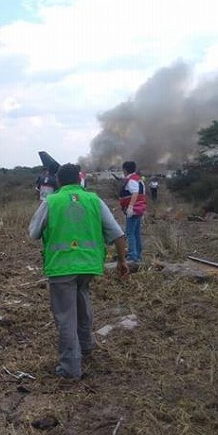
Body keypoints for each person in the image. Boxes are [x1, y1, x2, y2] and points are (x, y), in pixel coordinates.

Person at [29, 163, 128, 379]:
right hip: (89, 266)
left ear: (59, 181)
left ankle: (70, 368)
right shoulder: (94, 200)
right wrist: (122, 261)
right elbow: (118, 235)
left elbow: (33, 233)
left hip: (61, 267)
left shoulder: (51, 201)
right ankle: (86, 346)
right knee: (82, 301)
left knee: (65, 317)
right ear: (79, 179)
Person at [119, 161, 147, 263]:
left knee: (130, 233)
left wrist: (130, 207)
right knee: (136, 233)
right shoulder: (139, 179)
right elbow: (142, 194)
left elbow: (135, 193)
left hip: (134, 210)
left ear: (125, 170)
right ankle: (138, 255)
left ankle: (132, 256)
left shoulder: (131, 180)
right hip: (139, 209)